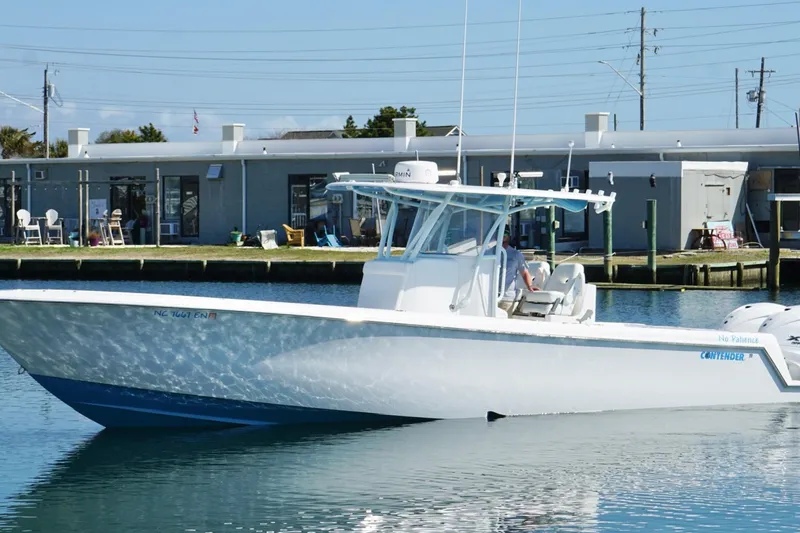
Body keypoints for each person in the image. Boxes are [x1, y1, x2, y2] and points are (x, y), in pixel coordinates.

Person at [498, 229, 537, 317]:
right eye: (500, 232)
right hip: (488, 296)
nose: (503, 235)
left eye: (505, 233)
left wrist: (530, 287)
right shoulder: (489, 252)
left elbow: (524, 273)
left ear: (509, 236)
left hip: (506, 297)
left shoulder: (516, 254)